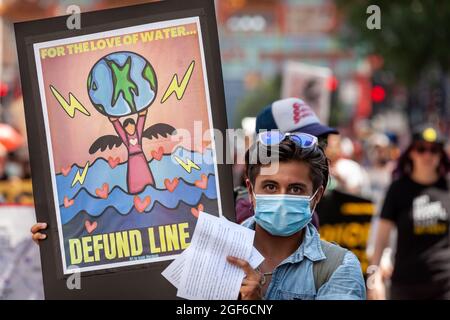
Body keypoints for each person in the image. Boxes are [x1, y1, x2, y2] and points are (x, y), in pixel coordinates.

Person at [228, 131, 366, 300]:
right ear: (250, 190)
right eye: (270, 187)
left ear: (316, 196)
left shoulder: (339, 267)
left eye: (295, 189)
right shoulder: (215, 252)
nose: (281, 198)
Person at [369, 125, 450, 300]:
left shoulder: (447, 188)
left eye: (433, 150)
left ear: (440, 154)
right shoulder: (398, 190)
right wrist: (373, 274)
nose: (427, 155)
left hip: (444, 284)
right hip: (405, 285)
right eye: (421, 149)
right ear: (411, 153)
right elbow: (382, 236)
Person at [235, 97, 339, 224]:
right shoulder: (244, 218)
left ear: (318, 195)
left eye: (322, 142)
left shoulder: (307, 215)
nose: (317, 153)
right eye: (302, 141)